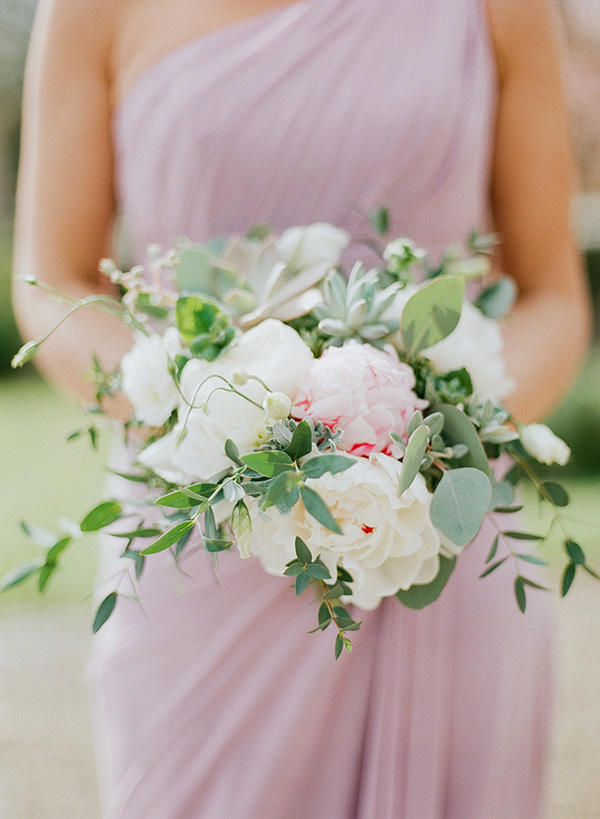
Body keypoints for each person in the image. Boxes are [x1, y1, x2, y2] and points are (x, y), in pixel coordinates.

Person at [12, 0, 592, 817]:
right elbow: (53, 279)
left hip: (434, 542)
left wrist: (413, 447)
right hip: (200, 542)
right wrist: (206, 415)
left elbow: (553, 298)